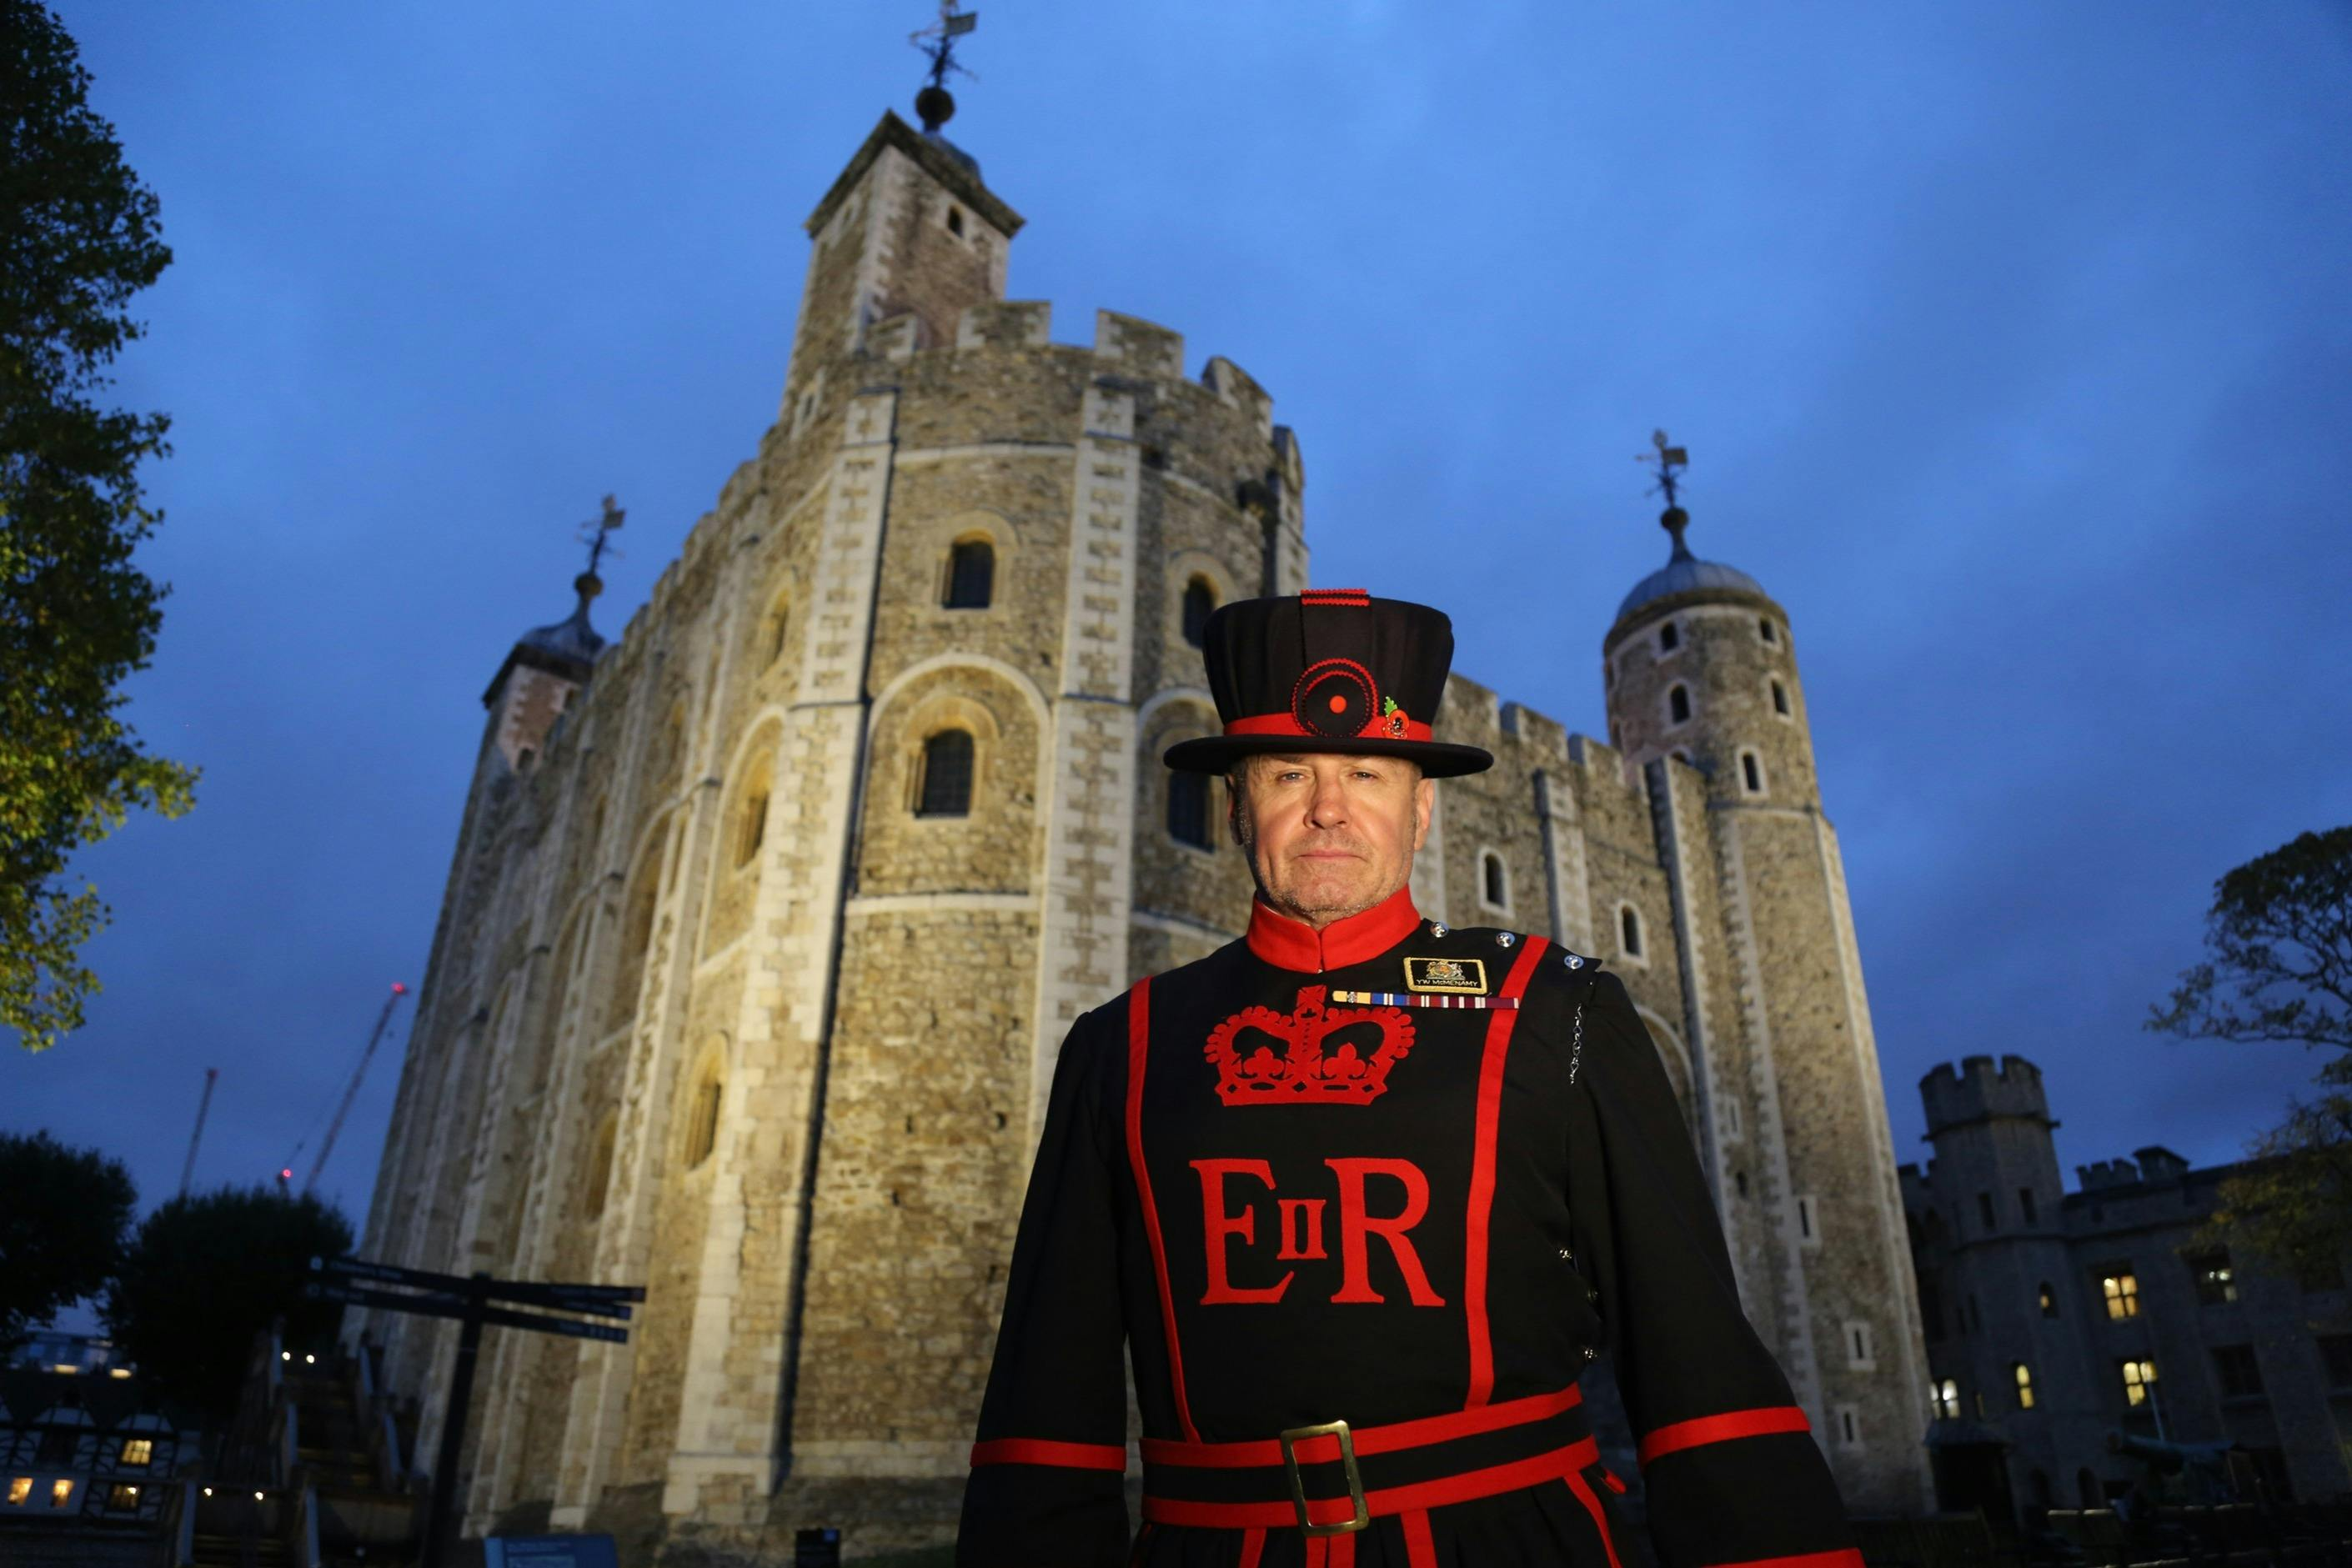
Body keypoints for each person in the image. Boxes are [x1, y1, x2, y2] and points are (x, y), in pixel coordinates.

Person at [957, 591, 1859, 1566]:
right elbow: (1046, 1413)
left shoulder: (1557, 1014)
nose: (1328, 808)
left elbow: (1694, 1354)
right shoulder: (1121, 1048)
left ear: (1421, 809)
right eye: (1288, 773)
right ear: (1236, 807)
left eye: (1365, 773)